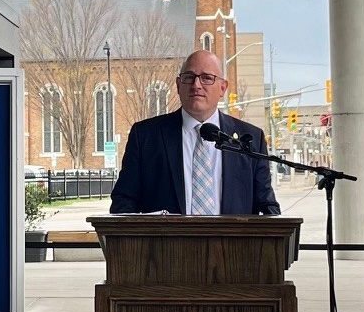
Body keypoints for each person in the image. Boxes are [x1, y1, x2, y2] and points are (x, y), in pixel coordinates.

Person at [109, 50, 279, 216]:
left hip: (232, 244)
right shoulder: (146, 136)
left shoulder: (249, 139)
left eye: (207, 78)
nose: (196, 85)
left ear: (222, 88)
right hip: (165, 244)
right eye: (189, 77)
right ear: (178, 85)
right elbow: (124, 201)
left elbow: (267, 206)